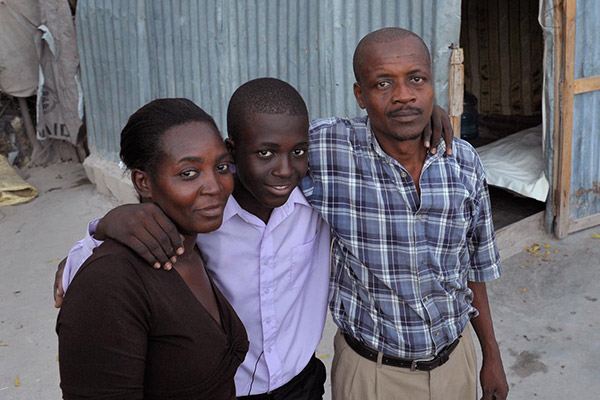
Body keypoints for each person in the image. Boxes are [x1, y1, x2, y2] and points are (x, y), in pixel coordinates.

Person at [58, 79, 332, 399]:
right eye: (265, 152)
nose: (284, 170)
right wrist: (103, 228)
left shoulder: (317, 199)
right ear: (234, 151)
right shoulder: (200, 218)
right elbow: (100, 276)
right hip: (233, 389)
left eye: (297, 152)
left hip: (302, 383)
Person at [299, 28, 509, 399]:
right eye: (383, 84)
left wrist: (490, 355)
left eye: (416, 80)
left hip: (455, 365)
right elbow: (249, 152)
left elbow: (474, 268)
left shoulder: (463, 163)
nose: (403, 95)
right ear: (359, 96)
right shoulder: (328, 151)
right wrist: (157, 204)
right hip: (371, 374)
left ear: (432, 85)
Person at [56, 98, 248, 399]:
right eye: (189, 173)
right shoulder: (110, 284)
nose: (216, 186)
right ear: (142, 182)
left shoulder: (190, 250)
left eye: (222, 167)